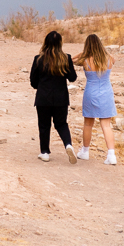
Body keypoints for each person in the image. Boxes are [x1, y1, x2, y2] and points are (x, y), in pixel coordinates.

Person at [29, 31, 78, 164]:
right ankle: (68, 144)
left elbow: (33, 82)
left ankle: (44, 152)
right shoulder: (66, 58)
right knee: (61, 124)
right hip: (61, 98)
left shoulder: (38, 59)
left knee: (44, 125)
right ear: (60, 43)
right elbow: (73, 78)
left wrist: (41, 84)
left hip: (43, 98)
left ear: (46, 42)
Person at [74, 34, 117, 165]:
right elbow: (111, 58)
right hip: (106, 93)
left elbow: (71, 59)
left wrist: (83, 52)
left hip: (91, 93)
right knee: (106, 125)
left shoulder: (85, 59)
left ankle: (85, 151)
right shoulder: (109, 58)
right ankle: (111, 155)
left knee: (88, 123)